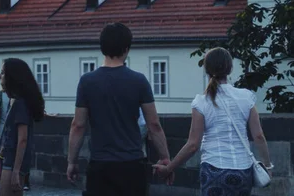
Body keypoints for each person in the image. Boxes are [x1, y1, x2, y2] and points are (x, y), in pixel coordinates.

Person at [67, 22, 172, 196]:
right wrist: (166, 158)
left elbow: (78, 125)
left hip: (100, 164)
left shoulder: (87, 82)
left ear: (102, 48)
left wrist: (72, 161)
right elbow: (153, 125)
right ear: (127, 49)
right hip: (132, 164)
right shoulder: (139, 81)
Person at [154, 47, 273, 196]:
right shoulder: (246, 97)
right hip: (244, 171)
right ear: (230, 69)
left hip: (214, 169)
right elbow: (259, 136)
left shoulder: (202, 102)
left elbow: (192, 145)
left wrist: (169, 168)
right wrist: (267, 166)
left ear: (207, 70)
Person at [0, 58, 45, 196]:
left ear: (12, 77)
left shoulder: (20, 103)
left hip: (13, 163)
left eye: (2, 72)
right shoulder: (18, 101)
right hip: (10, 160)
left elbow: (22, 139)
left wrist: (16, 171)